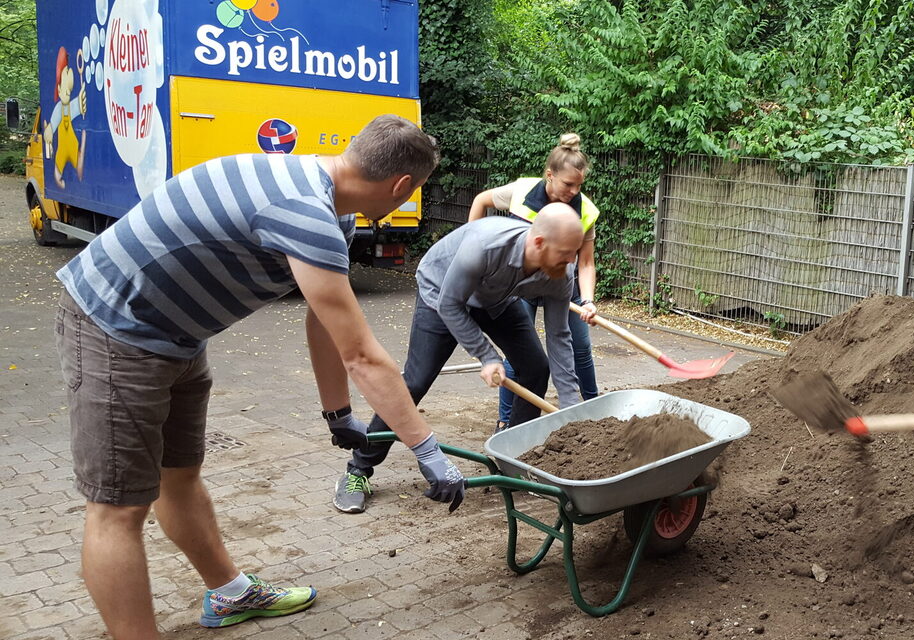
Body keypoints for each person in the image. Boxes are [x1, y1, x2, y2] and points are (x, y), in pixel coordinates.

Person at [54, 114, 464, 638]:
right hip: (114, 328)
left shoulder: (330, 209)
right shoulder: (306, 213)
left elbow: (325, 319)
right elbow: (363, 354)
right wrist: (429, 453)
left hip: (175, 334)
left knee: (178, 480)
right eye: (414, 193)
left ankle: (230, 595)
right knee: (118, 510)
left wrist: (337, 413)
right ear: (401, 185)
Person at [332, 204, 586, 513]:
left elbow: (559, 337)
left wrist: (574, 408)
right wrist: (486, 356)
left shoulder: (561, 271)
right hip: (442, 293)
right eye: (566, 252)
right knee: (414, 382)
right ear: (538, 243)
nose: (572, 260)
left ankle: (512, 461)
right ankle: (358, 470)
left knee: (535, 368)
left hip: (495, 300)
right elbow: (450, 305)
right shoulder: (485, 246)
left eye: (575, 252)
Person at [467, 134, 601, 431]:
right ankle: (507, 421)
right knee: (519, 356)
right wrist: (471, 244)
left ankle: (592, 416)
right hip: (518, 287)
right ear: (549, 176)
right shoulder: (521, 190)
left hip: (561, 286)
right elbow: (481, 200)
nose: (574, 191)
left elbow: (586, 261)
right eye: (568, 184)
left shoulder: (586, 210)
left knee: (578, 348)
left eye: (579, 185)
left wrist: (588, 300)